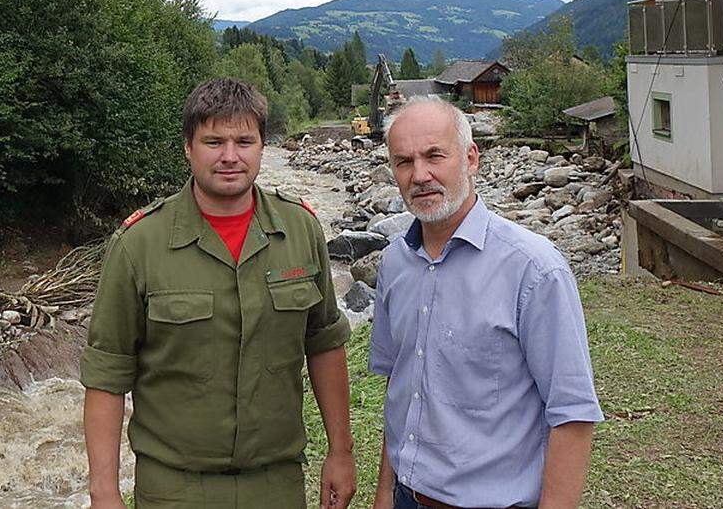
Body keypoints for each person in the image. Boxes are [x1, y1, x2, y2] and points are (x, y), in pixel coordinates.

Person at [81, 77, 357, 509]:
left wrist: (341, 452)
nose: (230, 156)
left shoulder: (300, 229)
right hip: (173, 488)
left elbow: (324, 343)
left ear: (263, 148)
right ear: (188, 148)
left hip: (277, 483)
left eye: (244, 141)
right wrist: (104, 491)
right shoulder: (139, 244)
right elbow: (107, 372)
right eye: (213, 141)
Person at [368, 96, 603, 509]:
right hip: (407, 497)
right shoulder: (394, 263)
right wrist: (385, 493)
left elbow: (572, 413)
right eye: (404, 161)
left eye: (434, 156)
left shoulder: (533, 269)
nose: (419, 175)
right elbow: (402, 386)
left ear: (471, 158)